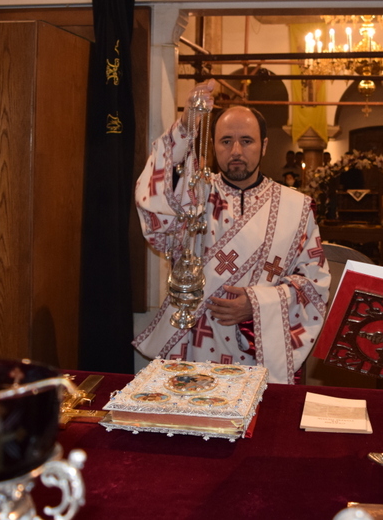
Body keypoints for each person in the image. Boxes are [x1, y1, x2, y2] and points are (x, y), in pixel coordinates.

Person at [133, 82, 331, 384]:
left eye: (246, 141)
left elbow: (315, 283)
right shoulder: (194, 196)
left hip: (260, 348)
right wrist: (186, 125)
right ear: (213, 145)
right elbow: (155, 202)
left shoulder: (297, 207)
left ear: (264, 145)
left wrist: (258, 303)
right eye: (226, 141)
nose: (236, 151)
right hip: (195, 345)